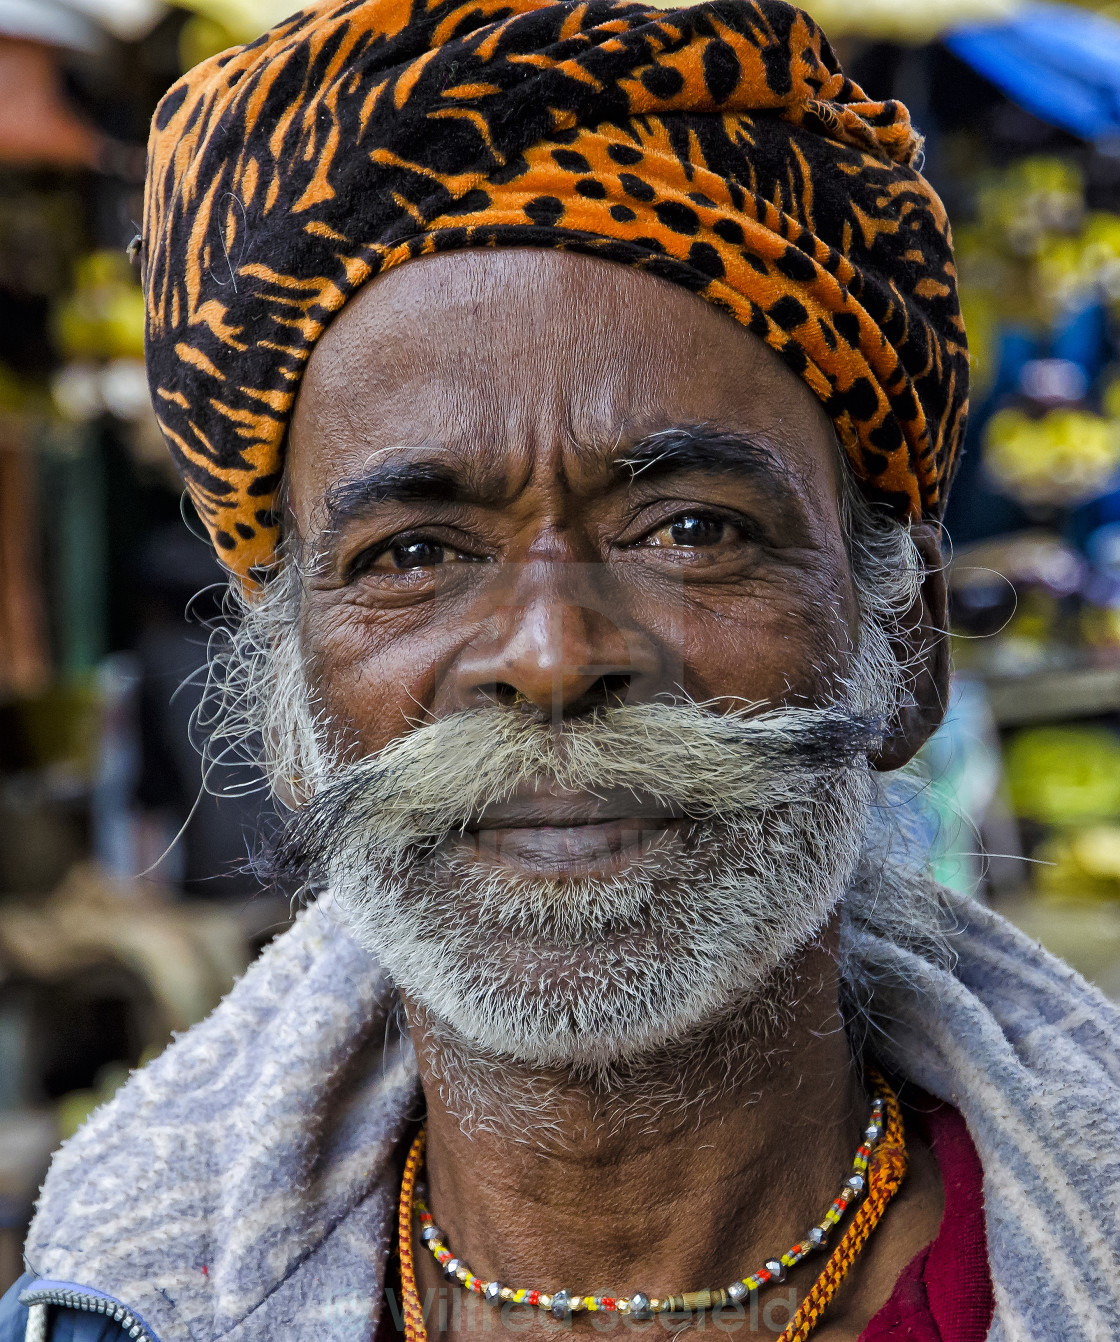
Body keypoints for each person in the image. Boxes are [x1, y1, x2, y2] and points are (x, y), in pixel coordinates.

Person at [3, 0, 1118, 1339]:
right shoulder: (110, 1305)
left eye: (694, 530)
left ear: (911, 648)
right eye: (412, 551)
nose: (550, 656)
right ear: (292, 711)